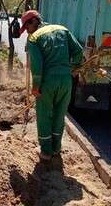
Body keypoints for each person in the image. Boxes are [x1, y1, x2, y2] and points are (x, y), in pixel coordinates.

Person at [19, 10, 83, 160]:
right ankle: (56, 148)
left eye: (26, 27)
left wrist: (36, 87)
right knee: (60, 115)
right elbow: (78, 51)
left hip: (47, 82)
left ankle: (46, 151)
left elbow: (37, 66)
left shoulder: (34, 38)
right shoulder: (63, 29)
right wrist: (74, 69)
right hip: (66, 81)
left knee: (44, 115)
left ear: (33, 21)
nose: (27, 31)